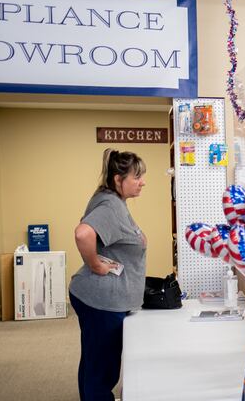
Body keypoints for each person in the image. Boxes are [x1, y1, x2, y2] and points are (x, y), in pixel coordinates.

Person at [69, 149, 147, 401]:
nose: (142, 181)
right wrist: (94, 265)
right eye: (136, 177)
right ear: (117, 179)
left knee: (94, 362)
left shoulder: (111, 199)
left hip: (102, 299)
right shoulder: (110, 205)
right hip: (103, 301)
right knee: (102, 370)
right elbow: (83, 234)